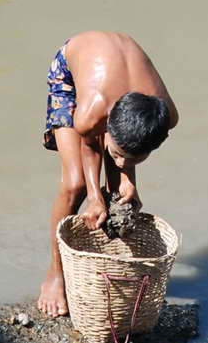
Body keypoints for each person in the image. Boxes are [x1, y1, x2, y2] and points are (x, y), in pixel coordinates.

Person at [37, 30, 178, 317]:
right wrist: (93, 196)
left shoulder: (167, 116)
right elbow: (90, 141)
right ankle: (55, 274)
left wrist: (128, 180)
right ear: (107, 129)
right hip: (72, 71)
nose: (120, 160)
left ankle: (108, 264)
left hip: (121, 86)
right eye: (115, 152)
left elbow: (124, 151)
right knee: (74, 183)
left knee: (118, 193)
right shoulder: (92, 114)